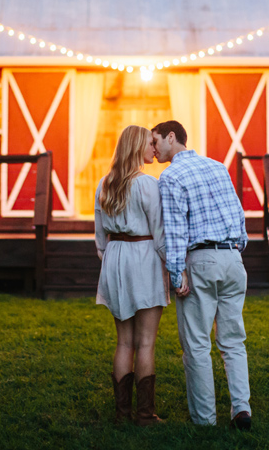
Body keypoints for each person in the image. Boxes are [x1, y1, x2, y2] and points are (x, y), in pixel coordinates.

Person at [151, 120, 253, 430]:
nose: (153, 149)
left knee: (196, 344)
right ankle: (241, 409)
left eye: (155, 141)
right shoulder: (218, 166)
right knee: (233, 341)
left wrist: (176, 271)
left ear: (172, 137)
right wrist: (236, 248)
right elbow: (238, 213)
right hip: (233, 258)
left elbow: (176, 229)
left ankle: (205, 420)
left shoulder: (171, 176)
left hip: (201, 259)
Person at [94, 125, 169, 426]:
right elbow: (160, 236)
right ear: (137, 147)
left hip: (115, 257)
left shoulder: (104, 184)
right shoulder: (148, 184)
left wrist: (112, 257)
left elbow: (100, 240)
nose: (154, 148)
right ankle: (145, 415)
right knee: (146, 341)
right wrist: (173, 267)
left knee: (124, 341)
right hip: (144, 255)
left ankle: (122, 414)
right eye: (149, 143)